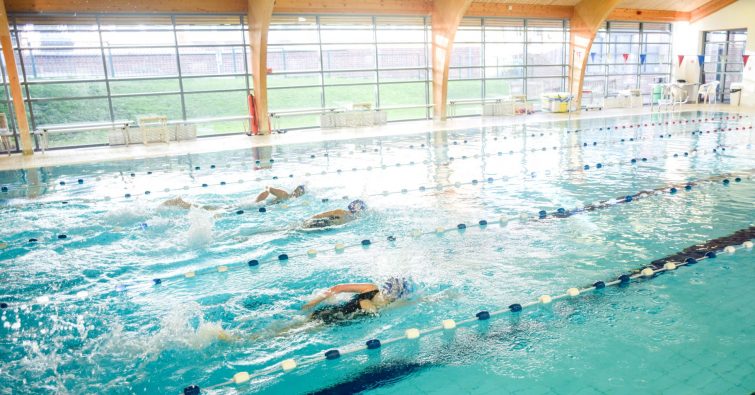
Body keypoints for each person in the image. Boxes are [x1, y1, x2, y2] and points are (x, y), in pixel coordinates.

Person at [302, 277, 415, 324]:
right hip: (328, 319)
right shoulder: (386, 306)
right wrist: (312, 303)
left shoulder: (371, 288)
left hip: (330, 315)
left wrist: (312, 303)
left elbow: (338, 288)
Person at [303, 199, 367, 229]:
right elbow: (322, 215)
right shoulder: (341, 212)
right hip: (324, 222)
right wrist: (310, 219)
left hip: (326, 225)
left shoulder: (354, 218)